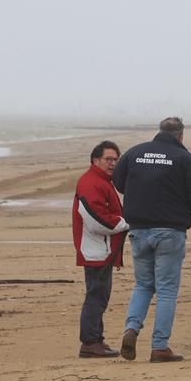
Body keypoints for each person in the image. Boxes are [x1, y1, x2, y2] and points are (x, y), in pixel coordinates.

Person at [114, 117, 191, 362]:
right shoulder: (185, 159)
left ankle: (132, 328)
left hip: (139, 229)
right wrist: (185, 207)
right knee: (167, 290)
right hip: (170, 230)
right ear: (181, 135)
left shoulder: (135, 153)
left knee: (143, 285)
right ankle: (159, 345)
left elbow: (119, 181)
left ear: (159, 132)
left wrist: (142, 194)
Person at [72, 140, 129, 358]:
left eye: (115, 159)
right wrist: (125, 223)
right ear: (95, 160)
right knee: (96, 296)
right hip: (95, 250)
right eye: (108, 159)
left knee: (100, 295)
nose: (113, 163)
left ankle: (96, 339)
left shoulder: (103, 181)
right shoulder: (90, 182)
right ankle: (89, 342)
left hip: (102, 249)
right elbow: (96, 218)